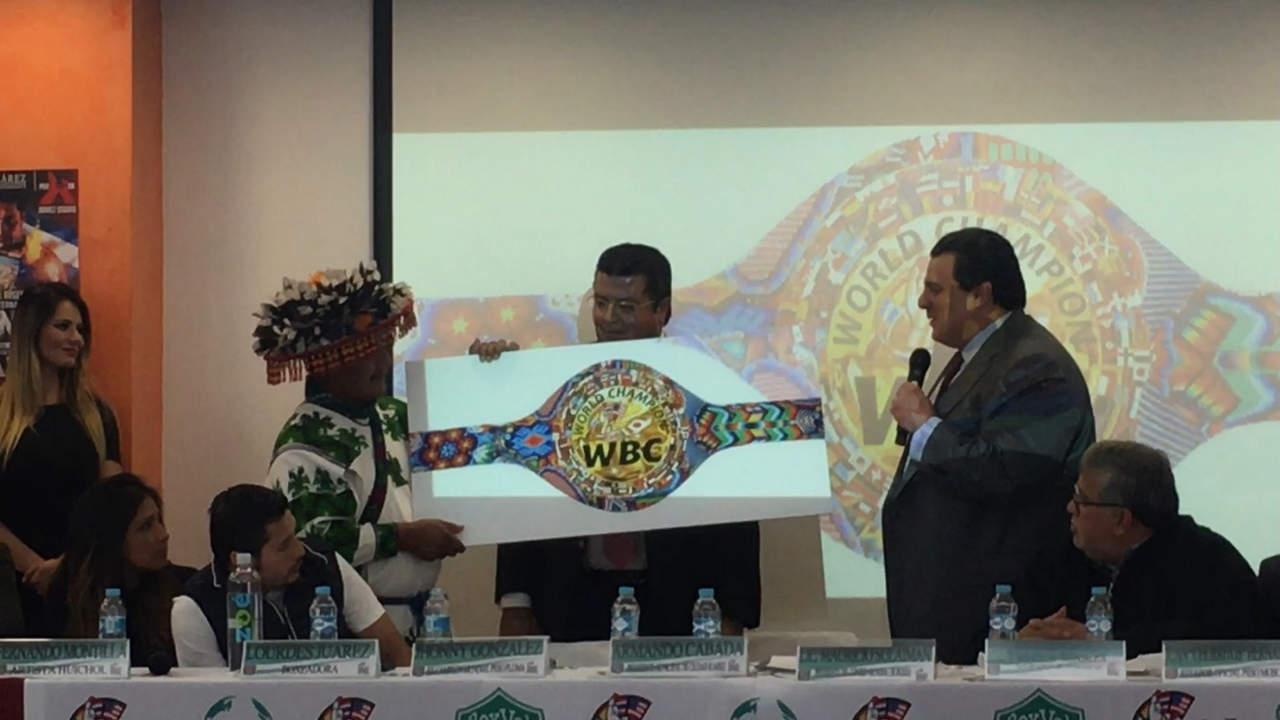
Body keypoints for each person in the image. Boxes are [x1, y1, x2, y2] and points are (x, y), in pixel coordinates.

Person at [473, 243, 762, 640]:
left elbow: (736, 506)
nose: (609, 319)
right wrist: (515, 603)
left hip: (680, 604)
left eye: (626, 307)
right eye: (602, 303)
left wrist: (733, 612)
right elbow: (523, 483)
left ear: (662, 310)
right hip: (570, 603)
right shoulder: (556, 383)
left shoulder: (704, 381)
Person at [885, 227, 1095, 664]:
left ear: (980, 295)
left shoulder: (1036, 363)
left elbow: (1008, 470)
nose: (922, 302)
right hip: (947, 603)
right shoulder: (976, 358)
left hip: (993, 608)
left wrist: (924, 427)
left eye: (935, 290)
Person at [253, 263, 464, 639]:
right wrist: (403, 537)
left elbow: (465, 444)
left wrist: (489, 367)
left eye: (386, 348)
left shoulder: (394, 414)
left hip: (421, 622)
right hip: (347, 630)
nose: (383, 364)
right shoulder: (305, 443)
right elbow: (314, 545)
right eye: (367, 352)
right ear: (328, 362)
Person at [1018, 440, 1265, 655]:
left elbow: (1207, 646)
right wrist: (1025, 640)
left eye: (1081, 500)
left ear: (1121, 520)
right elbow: (1020, 619)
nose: (1070, 508)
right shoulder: (1067, 554)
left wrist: (1105, 645)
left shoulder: (1208, 564)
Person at [171, 484, 411, 668]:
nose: (300, 551)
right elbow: (213, 700)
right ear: (241, 560)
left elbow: (396, 654)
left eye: (295, 535)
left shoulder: (324, 563)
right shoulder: (194, 608)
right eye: (284, 545)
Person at [0, 282, 122, 636]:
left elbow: (115, 503)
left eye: (81, 329)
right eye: (64, 326)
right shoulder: (4, 416)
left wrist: (67, 566)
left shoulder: (97, 415)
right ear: (32, 331)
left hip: (83, 584)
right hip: (12, 588)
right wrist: (34, 566)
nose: (76, 339)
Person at [45, 474, 194, 667]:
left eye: (159, 521)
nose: (163, 535)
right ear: (113, 540)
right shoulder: (66, 597)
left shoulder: (183, 586)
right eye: (146, 526)